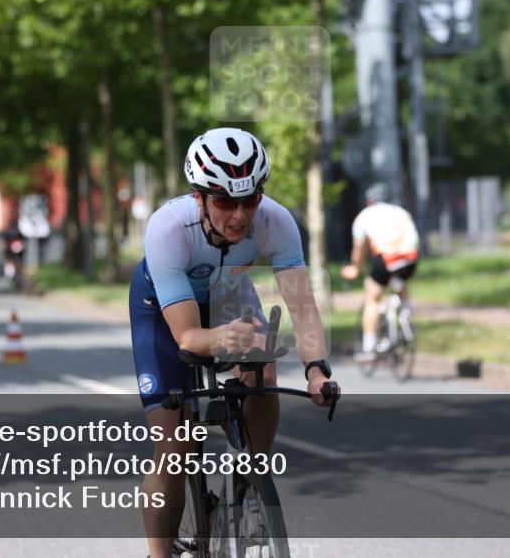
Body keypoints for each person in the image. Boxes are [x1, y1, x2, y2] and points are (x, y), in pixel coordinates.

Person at [130, 127, 337, 558]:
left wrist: (317, 369)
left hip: (228, 294)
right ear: (200, 197)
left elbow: (301, 304)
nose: (240, 215)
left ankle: (248, 480)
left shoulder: (276, 222)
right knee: (174, 451)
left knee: (263, 362)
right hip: (165, 309)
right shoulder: (168, 228)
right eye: (225, 201)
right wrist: (221, 338)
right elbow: (188, 336)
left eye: (250, 199)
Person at [340, 183, 420, 360]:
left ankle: (369, 347)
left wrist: (355, 268)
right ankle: (406, 319)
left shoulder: (364, 216)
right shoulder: (402, 213)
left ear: (369, 201)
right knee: (400, 284)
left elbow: (359, 249)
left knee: (373, 297)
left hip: (385, 259)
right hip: (410, 259)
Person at [2, 215, 26, 289]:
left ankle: (11, 277)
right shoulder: (19, 232)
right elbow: (23, 242)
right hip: (17, 252)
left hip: (10, 252)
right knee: (18, 265)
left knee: (10, 264)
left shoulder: (7, 232)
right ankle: (16, 278)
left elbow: (4, 243)